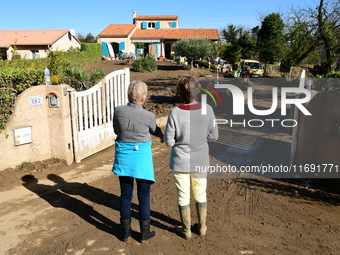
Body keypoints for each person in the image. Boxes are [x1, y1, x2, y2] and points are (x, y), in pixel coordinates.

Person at [164, 75, 218, 239]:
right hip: (200, 160)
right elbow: (214, 136)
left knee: (183, 195)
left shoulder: (174, 113)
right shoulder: (208, 110)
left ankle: (186, 230)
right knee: (200, 193)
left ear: (179, 93)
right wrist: (200, 139)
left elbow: (168, 141)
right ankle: (202, 228)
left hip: (180, 161)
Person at [112, 80, 163, 242]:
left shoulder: (118, 111)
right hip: (142, 159)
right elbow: (155, 130)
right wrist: (162, 136)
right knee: (144, 197)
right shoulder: (148, 116)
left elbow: (116, 130)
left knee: (125, 196)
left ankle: (126, 233)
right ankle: (144, 233)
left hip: (124, 157)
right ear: (143, 98)